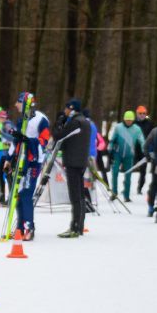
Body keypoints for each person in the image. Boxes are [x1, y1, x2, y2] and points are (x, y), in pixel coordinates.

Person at [55, 101, 93, 238]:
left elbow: (59, 136)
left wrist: (59, 123)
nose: (64, 111)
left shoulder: (75, 122)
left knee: (75, 196)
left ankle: (75, 227)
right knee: (80, 195)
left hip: (73, 161)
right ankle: (79, 226)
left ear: (71, 109)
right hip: (81, 161)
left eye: (66, 108)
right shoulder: (86, 122)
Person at [15, 99, 50, 240]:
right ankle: (19, 228)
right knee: (18, 195)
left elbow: (44, 140)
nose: (16, 105)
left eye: (18, 102)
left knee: (26, 194)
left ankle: (29, 228)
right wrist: (9, 158)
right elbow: (16, 141)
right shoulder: (21, 120)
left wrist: (29, 141)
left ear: (26, 104)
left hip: (34, 161)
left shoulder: (41, 119)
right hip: (21, 161)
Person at [107, 110, 144, 201]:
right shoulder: (118, 127)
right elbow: (112, 139)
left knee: (128, 175)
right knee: (115, 173)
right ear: (124, 119)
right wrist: (110, 150)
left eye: (130, 120)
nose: (128, 122)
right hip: (117, 154)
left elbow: (142, 140)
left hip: (129, 155)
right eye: (127, 120)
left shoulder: (137, 129)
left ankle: (126, 196)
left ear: (133, 120)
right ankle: (114, 193)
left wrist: (144, 150)